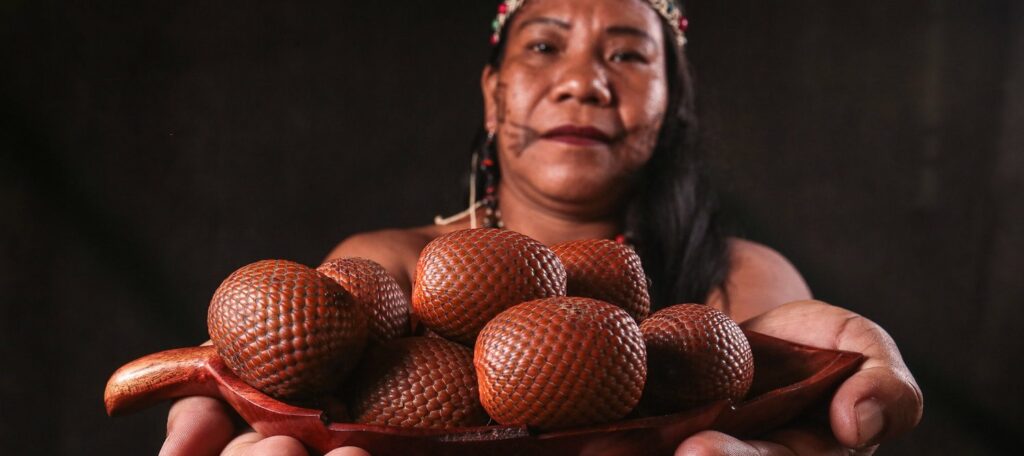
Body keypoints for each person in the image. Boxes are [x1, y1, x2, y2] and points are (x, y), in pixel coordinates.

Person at [159, 0, 923, 454]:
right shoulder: (386, 267)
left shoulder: (742, 281)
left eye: (627, 54)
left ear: (672, 109)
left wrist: (804, 381)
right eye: (544, 45)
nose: (583, 81)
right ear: (494, 97)